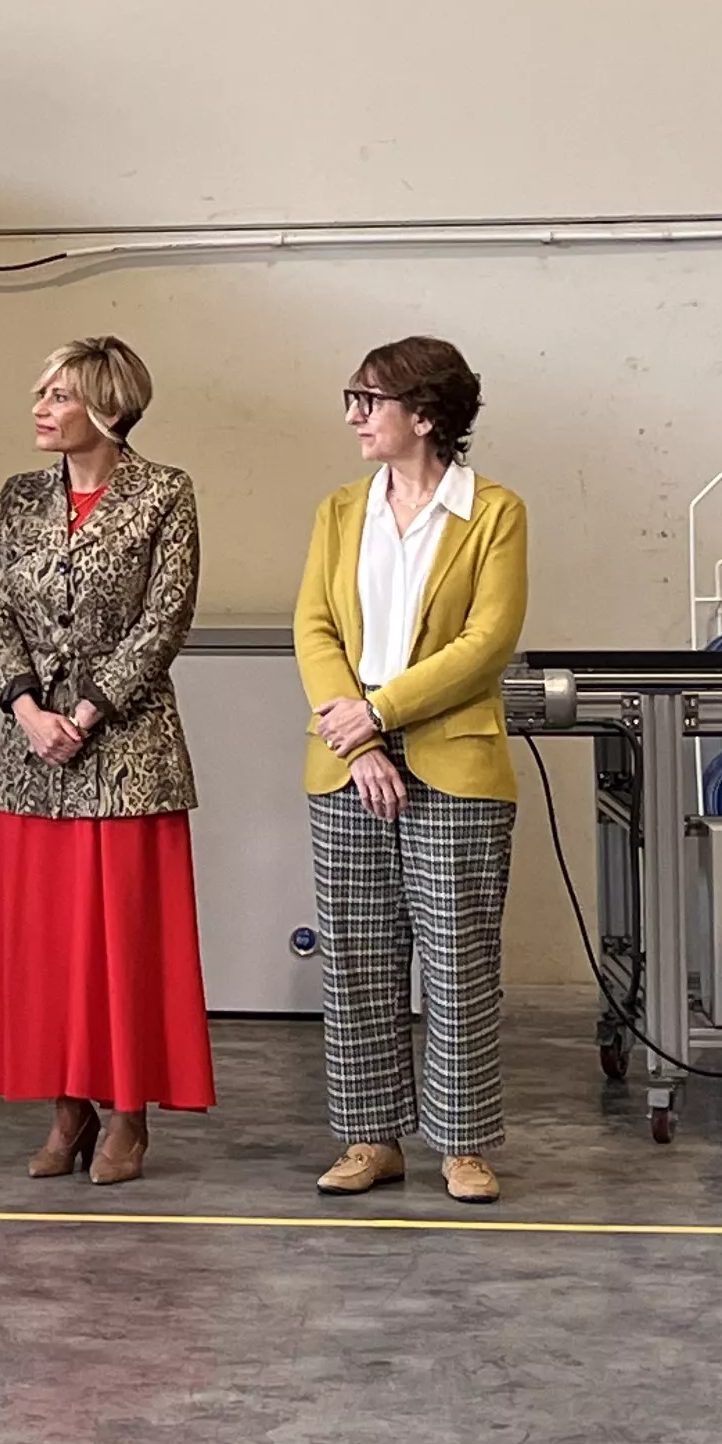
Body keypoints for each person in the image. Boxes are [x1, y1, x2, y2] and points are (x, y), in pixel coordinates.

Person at [293, 336, 529, 1206]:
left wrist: (382, 713)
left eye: (371, 399)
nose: (354, 414)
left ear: (424, 416)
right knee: (355, 953)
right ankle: (369, 1137)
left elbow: (486, 643)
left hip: (454, 764)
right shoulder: (336, 513)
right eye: (351, 397)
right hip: (346, 765)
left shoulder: (494, 513)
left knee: (458, 956)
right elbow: (314, 628)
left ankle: (462, 1143)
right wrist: (358, 743)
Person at [0, 338, 210, 1186]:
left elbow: (165, 619)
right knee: (53, 945)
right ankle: (67, 1105)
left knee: (125, 943)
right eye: (41, 391)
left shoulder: (165, 494)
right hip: (34, 757)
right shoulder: (18, 498)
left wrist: (84, 711)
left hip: (131, 754)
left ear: (107, 409)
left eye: (60, 395)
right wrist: (28, 709)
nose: (40, 407)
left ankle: (128, 1113)